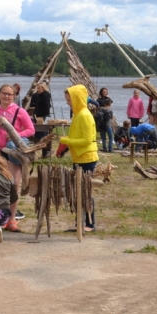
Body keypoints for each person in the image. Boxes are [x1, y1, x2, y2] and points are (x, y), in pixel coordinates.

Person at [0, 83, 35, 231]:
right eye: (4, 93)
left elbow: (31, 130)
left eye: (10, 94)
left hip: (13, 152)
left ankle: (12, 219)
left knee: (14, 185)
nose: (7, 96)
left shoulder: (19, 111)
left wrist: (16, 134)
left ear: (14, 96)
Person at [58, 83, 98, 231]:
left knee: (86, 191)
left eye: (70, 100)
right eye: (67, 100)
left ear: (78, 99)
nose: (68, 103)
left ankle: (89, 224)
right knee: (78, 192)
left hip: (86, 159)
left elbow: (87, 140)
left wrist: (66, 141)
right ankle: (79, 223)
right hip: (79, 158)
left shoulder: (85, 115)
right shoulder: (78, 114)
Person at [96, 87, 115, 153]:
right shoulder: (99, 100)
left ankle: (104, 148)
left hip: (101, 124)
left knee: (103, 138)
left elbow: (111, 101)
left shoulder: (107, 99)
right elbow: (111, 118)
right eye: (104, 92)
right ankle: (110, 149)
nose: (105, 93)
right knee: (110, 137)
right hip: (107, 124)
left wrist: (107, 97)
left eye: (106, 92)